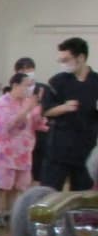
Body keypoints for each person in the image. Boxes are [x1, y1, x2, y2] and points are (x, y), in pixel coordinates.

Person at [41, 37, 98, 191]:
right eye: (61, 60)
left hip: (86, 149)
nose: (63, 64)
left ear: (81, 58)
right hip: (58, 149)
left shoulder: (95, 81)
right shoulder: (57, 81)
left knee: (83, 196)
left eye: (66, 60)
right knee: (48, 193)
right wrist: (63, 108)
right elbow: (45, 110)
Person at [0, 73, 44, 216]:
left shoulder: (27, 102)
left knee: (17, 188)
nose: (29, 89)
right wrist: (27, 109)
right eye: (27, 85)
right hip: (3, 152)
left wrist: (39, 111)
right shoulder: (2, 102)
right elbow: (7, 125)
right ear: (15, 85)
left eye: (31, 86)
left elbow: (36, 124)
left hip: (22, 153)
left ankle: (11, 217)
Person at [14, 57, 51, 180]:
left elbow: (49, 109)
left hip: (41, 133)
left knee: (39, 168)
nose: (26, 72)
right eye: (22, 69)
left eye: (28, 69)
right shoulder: (14, 89)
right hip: (21, 133)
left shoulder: (44, 88)